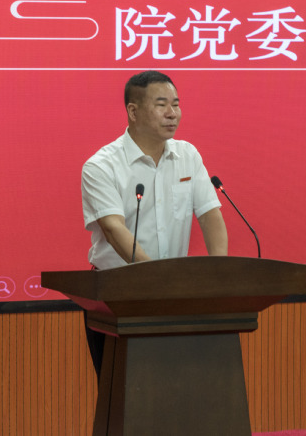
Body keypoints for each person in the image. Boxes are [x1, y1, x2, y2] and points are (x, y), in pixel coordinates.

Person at [80, 70, 228, 378]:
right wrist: (157, 280)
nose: (172, 113)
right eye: (162, 105)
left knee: (179, 385)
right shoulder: (101, 166)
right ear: (133, 111)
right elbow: (114, 230)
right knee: (123, 391)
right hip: (116, 296)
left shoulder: (187, 155)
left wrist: (220, 275)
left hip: (175, 294)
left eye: (176, 104)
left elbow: (210, 214)